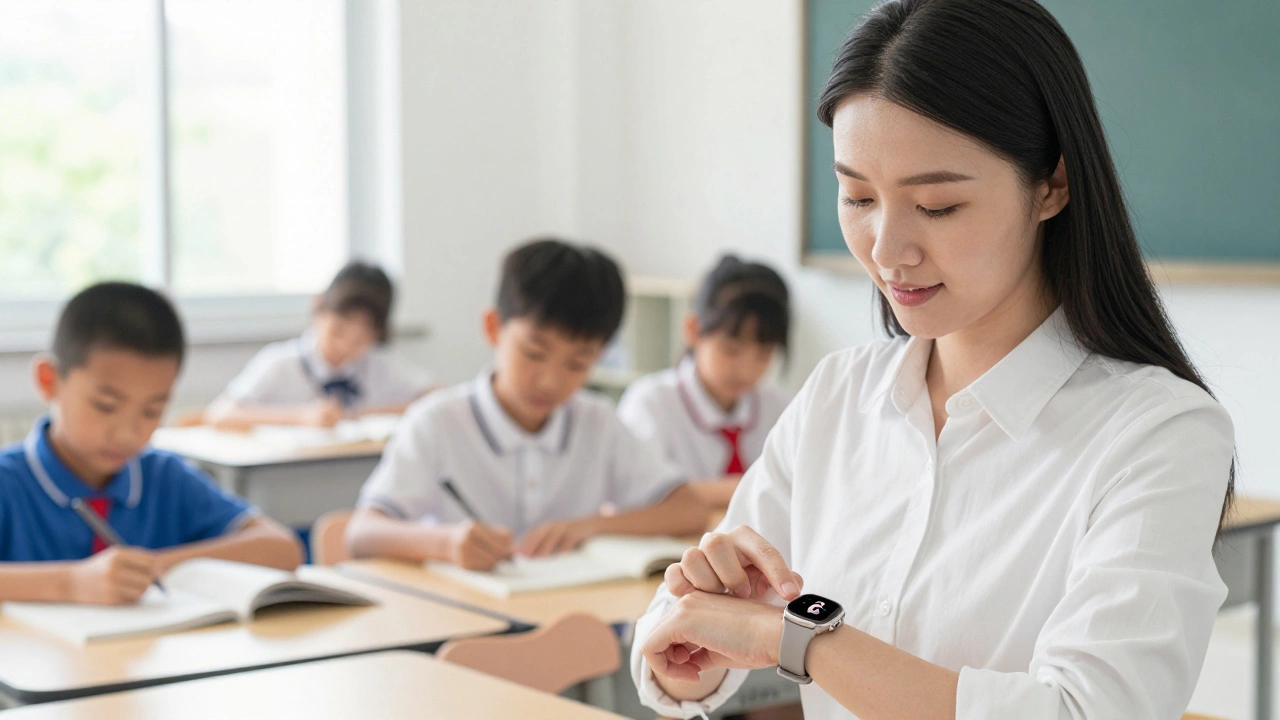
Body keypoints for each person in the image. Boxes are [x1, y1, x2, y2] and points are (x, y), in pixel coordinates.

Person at [630, 1, 1235, 718]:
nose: (887, 250)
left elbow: (1084, 711)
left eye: (939, 206)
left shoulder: (1157, 433)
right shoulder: (839, 396)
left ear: (1053, 185)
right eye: (856, 196)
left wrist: (795, 640)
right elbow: (689, 646)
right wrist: (689, 658)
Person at [0, 282, 303, 605]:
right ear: (49, 380)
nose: (127, 434)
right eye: (105, 405)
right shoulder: (9, 481)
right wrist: (71, 583)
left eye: (152, 411)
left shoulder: (163, 475)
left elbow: (281, 547)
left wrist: (152, 568)